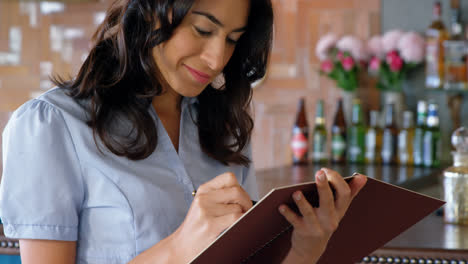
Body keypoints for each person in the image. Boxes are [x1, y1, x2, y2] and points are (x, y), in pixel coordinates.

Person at [0, 0, 367, 263]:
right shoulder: (50, 125)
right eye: (203, 29)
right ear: (149, 12)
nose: (216, 58)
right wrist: (178, 249)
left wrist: (306, 249)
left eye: (232, 39)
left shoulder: (224, 128)